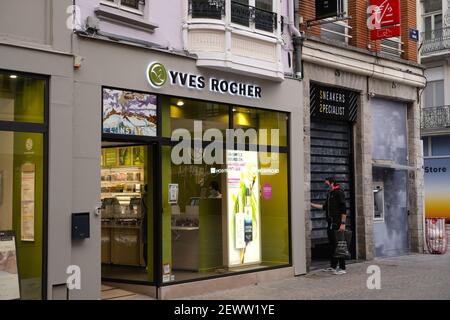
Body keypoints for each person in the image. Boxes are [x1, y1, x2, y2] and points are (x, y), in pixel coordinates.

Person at [311, 177, 348, 275]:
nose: (325, 185)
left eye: (327, 184)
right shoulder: (330, 194)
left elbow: (344, 209)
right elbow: (324, 207)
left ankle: (342, 268)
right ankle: (333, 266)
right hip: (330, 223)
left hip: (337, 223)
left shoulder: (339, 192)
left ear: (332, 183)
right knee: (333, 246)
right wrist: (311, 204)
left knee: (339, 245)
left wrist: (343, 224)